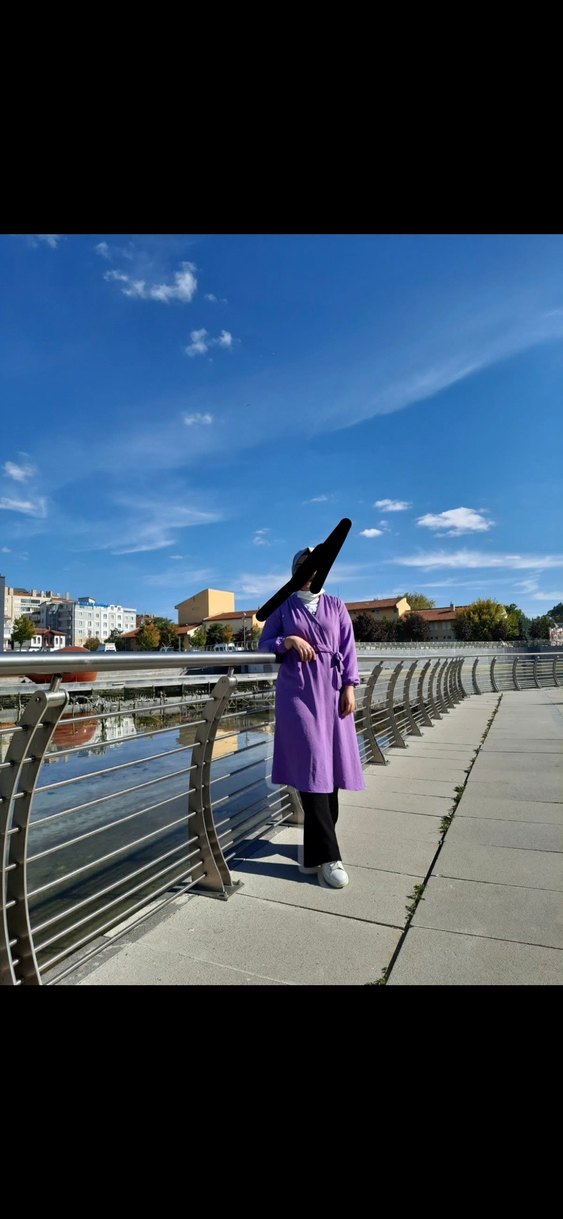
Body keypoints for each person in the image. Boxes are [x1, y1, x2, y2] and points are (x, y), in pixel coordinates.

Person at [258, 545, 365, 887]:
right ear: (294, 572)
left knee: (329, 774)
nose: (309, 572)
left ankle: (313, 855)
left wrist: (350, 687)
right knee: (313, 769)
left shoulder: (336, 605)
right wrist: (287, 641)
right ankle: (330, 858)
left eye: (314, 566)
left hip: (332, 693)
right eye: (302, 567)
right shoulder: (283, 605)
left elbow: (348, 647)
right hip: (298, 694)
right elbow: (263, 645)